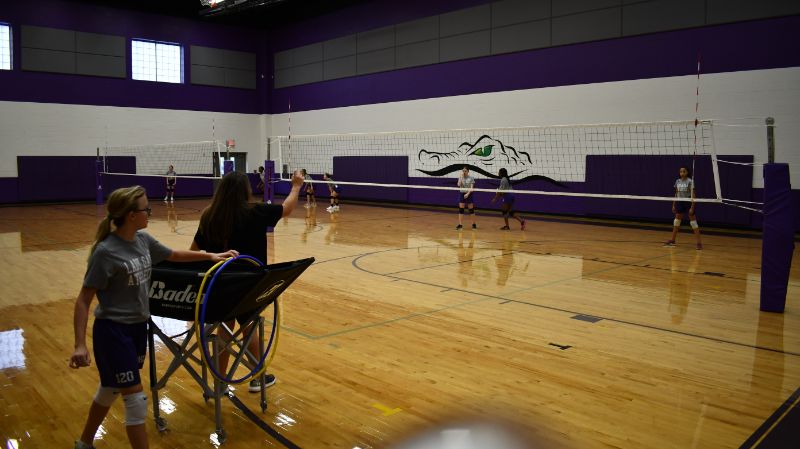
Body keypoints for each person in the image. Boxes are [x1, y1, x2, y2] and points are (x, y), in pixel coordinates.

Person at [70, 185, 238, 449]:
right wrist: (79, 343)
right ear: (130, 215)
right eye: (145, 209)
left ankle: (84, 442)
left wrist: (210, 256)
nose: (150, 212)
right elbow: (83, 301)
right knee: (136, 402)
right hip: (113, 332)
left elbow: (173, 255)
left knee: (111, 388)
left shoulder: (143, 240)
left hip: (138, 329)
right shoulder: (106, 252)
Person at [191, 170, 304, 392]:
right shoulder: (256, 212)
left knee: (224, 328)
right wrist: (296, 186)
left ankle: (220, 382)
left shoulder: (208, 215)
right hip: (247, 284)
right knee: (249, 325)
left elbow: (193, 251)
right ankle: (258, 378)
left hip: (218, 284)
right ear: (245, 191)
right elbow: (287, 208)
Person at [665, 166, 703, 249]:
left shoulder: (690, 181)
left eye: (684, 171)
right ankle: (672, 240)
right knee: (676, 222)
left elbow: (693, 195)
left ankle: (699, 243)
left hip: (688, 202)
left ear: (687, 172)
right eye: (681, 171)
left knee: (693, 223)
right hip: (679, 202)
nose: (682, 173)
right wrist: (673, 205)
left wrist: (692, 207)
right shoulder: (677, 181)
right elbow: (676, 193)